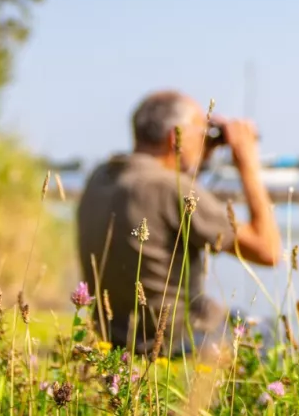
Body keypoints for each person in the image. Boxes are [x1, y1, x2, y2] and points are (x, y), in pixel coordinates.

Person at [76, 90, 281, 354]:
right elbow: (268, 251)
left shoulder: (101, 176)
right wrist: (247, 160)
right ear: (176, 137)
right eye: (201, 131)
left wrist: (199, 155)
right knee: (270, 331)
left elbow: (165, 201)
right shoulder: (170, 188)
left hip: (114, 336)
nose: (205, 139)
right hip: (173, 341)